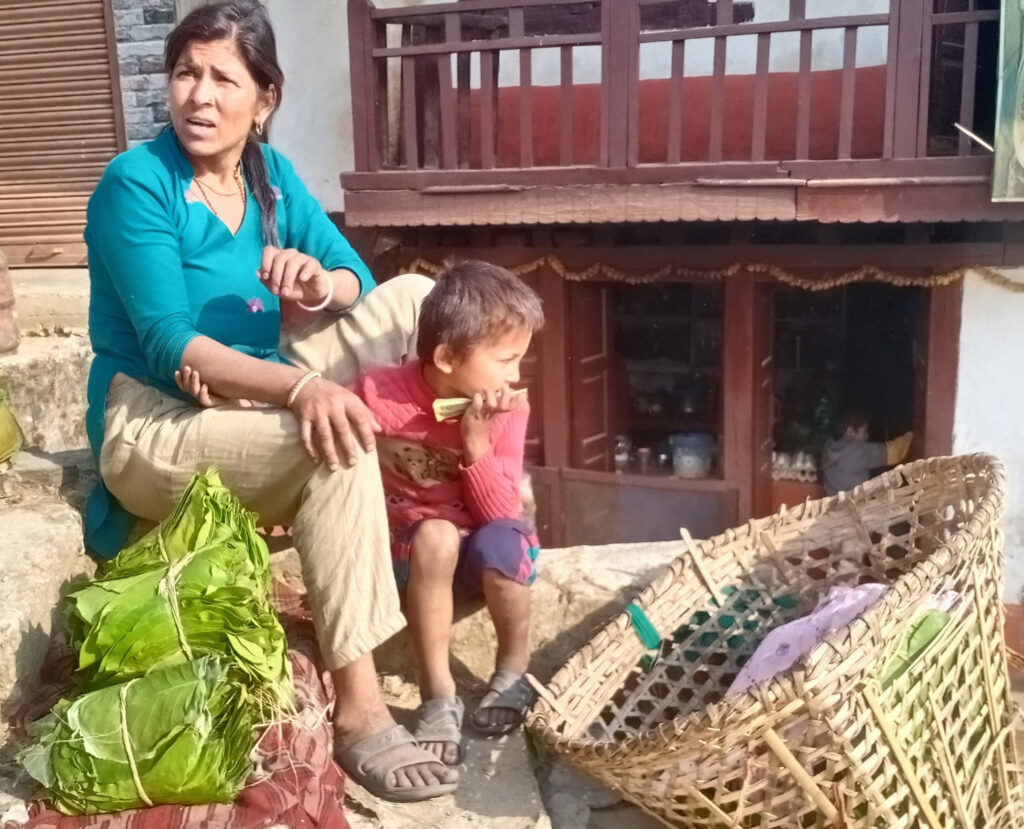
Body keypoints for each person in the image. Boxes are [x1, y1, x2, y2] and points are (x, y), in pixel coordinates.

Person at [84, 0, 458, 802]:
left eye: (224, 78)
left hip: (248, 383)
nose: (200, 95)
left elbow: (356, 276)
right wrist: (299, 387)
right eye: (186, 73)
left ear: (265, 99)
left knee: (413, 296)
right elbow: (169, 344)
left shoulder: (270, 176)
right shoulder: (137, 184)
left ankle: (437, 463)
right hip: (153, 417)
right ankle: (362, 709)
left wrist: (318, 284)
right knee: (334, 448)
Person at [352, 260, 544, 767]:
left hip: (480, 552)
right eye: (506, 360)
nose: (515, 375)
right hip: (410, 558)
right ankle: (438, 694)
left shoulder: (507, 410)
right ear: (446, 357)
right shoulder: (375, 393)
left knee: (506, 541)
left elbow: (500, 513)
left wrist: (476, 442)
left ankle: (513, 667)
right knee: (435, 535)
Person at [821, 412, 913, 496]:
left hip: (833, 502)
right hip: (853, 504)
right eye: (864, 432)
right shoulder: (856, 452)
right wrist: (913, 434)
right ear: (850, 431)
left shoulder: (830, 448)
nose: (867, 436)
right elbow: (894, 452)